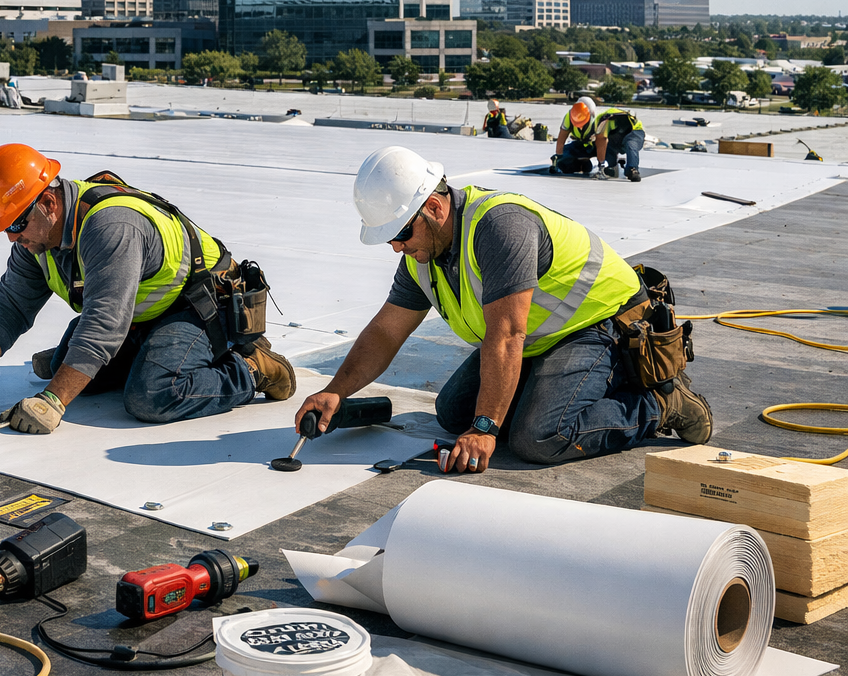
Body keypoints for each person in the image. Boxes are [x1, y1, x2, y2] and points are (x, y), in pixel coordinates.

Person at [295, 145, 712, 473]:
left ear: (435, 209)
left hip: (605, 325)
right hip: (544, 336)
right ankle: (552, 394)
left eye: (401, 233)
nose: (396, 247)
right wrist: (336, 391)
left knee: (539, 437)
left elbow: (507, 335)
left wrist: (485, 429)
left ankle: (660, 404)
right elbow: (386, 332)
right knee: (452, 412)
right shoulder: (421, 256)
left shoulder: (499, 228)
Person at [0, 143, 297, 435]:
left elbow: (104, 323)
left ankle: (251, 368)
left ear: (47, 203)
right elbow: (10, 305)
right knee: (68, 365)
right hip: (141, 314)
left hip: (200, 306)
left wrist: (53, 401)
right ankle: (124, 356)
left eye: (17, 224)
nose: (13, 237)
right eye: (6, 227)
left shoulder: (110, 227)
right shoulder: (35, 239)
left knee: (150, 395)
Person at [593, 106, 646, 181]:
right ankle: (612, 168)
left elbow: (602, 138)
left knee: (631, 144)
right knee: (609, 146)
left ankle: (632, 170)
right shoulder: (603, 119)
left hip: (635, 131)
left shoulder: (602, 120)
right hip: (619, 131)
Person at [552, 97, 599, 175]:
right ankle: (581, 165)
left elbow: (603, 144)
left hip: (594, 148)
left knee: (608, 154)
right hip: (578, 146)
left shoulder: (598, 119)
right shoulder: (569, 117)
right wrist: (558, 159)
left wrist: (601, 164)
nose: (580, 127)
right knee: (564, 164)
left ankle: (591, 164)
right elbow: (561, 140)